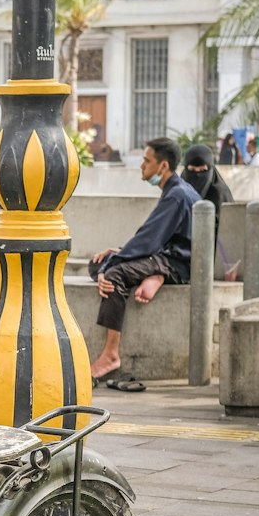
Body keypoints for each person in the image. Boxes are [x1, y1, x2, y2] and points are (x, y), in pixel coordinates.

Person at [87, 137, 201, 391]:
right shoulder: (176, 190)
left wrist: (111, 266)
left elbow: (148, 239)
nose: (142, 166)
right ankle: (154, 276)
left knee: (113, 273)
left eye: (146, 161)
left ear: (162, 166)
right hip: (167, 257)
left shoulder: (176, 195)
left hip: (176, 264)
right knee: (97, 263)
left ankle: (110, 355)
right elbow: (153, 237)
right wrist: (118, 253)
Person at [182, 142, 235, 279]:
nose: (197, 176)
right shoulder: (179, 191)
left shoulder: (219, 193)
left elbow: (225, 233)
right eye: (192, 171)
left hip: (212, 262)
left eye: (203, 170)